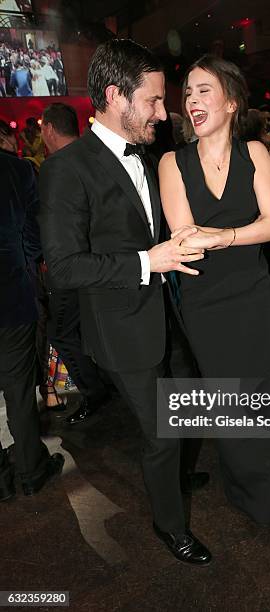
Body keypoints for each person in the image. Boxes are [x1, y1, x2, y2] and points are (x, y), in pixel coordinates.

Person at [38, 39, 211, 566]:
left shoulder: (149, 153)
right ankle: (170, 525)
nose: (164, 111)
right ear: (116, 96)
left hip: (167, 315)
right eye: (155, 101)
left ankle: (175, 473)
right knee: (160, 433)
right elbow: (64, 267)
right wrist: (146, 262)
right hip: (121, 328)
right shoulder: (67, 169)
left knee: (182, 413)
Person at [159, 55, 270, 525]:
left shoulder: (255, 153)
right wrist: (229, 233)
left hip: (253, 296)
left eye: (203, 91)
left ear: (231, 102)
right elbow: (185, 239)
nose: (192, 100)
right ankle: (243, 491)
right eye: (188, 93)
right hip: (205, 303)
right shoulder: (171, 163)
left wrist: (223, 235)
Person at [40, 102, 111, 422]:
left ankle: (95, 390)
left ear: (49, 129)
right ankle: (105, 383)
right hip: (102, 263)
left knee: (63, 333)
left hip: (74, 266)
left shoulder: (55, 167)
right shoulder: (95, 158)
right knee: (88, 327)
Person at [0, 148, 64, 503]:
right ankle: (30, 471)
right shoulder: (16, 169)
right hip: (10, 296)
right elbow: (35, 236)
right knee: (20, 391)